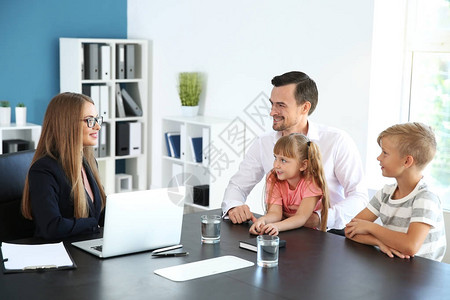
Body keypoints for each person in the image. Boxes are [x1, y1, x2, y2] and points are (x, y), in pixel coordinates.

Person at [222, 71, 368, 231]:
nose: (272, 112)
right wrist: (234, 207)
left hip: (329, 233)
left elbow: (359, 197)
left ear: (304, 107)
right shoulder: (263, 143)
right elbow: (237, 185)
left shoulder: (336, 141)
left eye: (281, 105)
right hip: (279, 231)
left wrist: (320, 218)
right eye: (272, 104)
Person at [345, 122, 446, 261]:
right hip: (394, 268)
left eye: (385, 153)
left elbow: (410, 246)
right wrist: (379, 243)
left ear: (407, 161)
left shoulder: (426, 199)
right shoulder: (385, 193)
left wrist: (371, 228)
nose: (378, 158)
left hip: (422, 276)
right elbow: (350, 230)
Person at [22, 92, 106, 240]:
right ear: (67, 125)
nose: (98, 127)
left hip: (86, 245)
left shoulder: (89, 162)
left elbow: (99, 212)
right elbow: (52, 227)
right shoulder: (43, 171)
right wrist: (93, 223)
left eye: (97, 119)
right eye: (89, 120)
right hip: (59, 254)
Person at [249, 134, 330, 235]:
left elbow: (301, 217)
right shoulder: (274, 178)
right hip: (285, 231)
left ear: (303, 165)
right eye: (275, 158)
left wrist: (276, 226)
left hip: (309, 236)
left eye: (283, 160)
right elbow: (275, 213)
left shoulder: (311, 183)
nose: (276, 165)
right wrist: (262, 220)